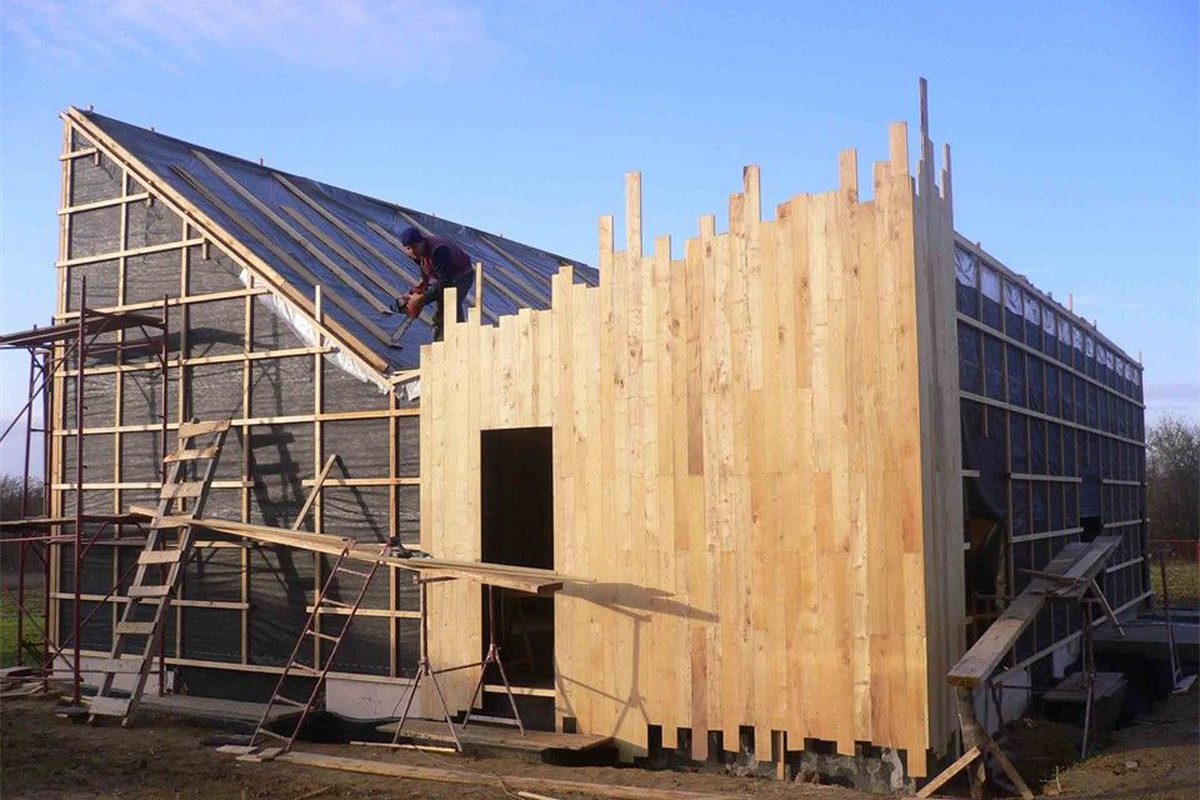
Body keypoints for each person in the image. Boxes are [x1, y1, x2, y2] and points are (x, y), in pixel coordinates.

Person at [393, 226, 475, 342]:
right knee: (440, 300)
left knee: (448, 305)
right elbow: (426, 275)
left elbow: (445, 282)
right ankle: (443, 340)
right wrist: (415, 293)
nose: (412, 251)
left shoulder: (439, 251)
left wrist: (422, 299)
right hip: (445, 275)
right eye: (408, 248)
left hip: (461, 274)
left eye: (415, 247)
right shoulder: (418, 254)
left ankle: (456, 341)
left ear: (422, 242)